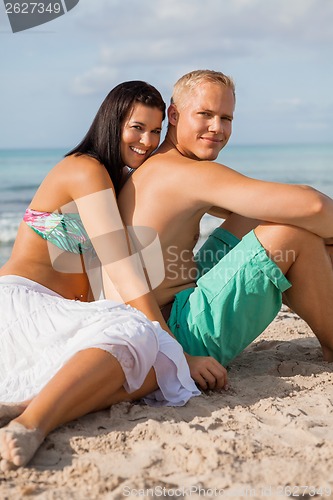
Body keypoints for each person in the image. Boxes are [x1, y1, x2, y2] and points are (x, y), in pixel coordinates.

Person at [0, 81, 201, 471]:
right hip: (22, 302)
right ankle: (29, 425)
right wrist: (177, 345)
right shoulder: (84, 169)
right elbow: (121, 267)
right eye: (137, 127)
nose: (147, 140)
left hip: (54, 312)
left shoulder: (112, 179)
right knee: (148, 340)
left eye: (157, 130)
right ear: (112, 123)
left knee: (155, 365)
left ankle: (24, 406)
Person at [118, 69, 333, 385]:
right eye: (205, 114)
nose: (217, 128)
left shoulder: (159, 167)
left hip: (164, 312)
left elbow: (264, 207)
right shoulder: (188, 173)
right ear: (175, 115)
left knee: (266, 214)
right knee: (291, 234)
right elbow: (314, 204)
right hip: (175, 335)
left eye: (226, 118)